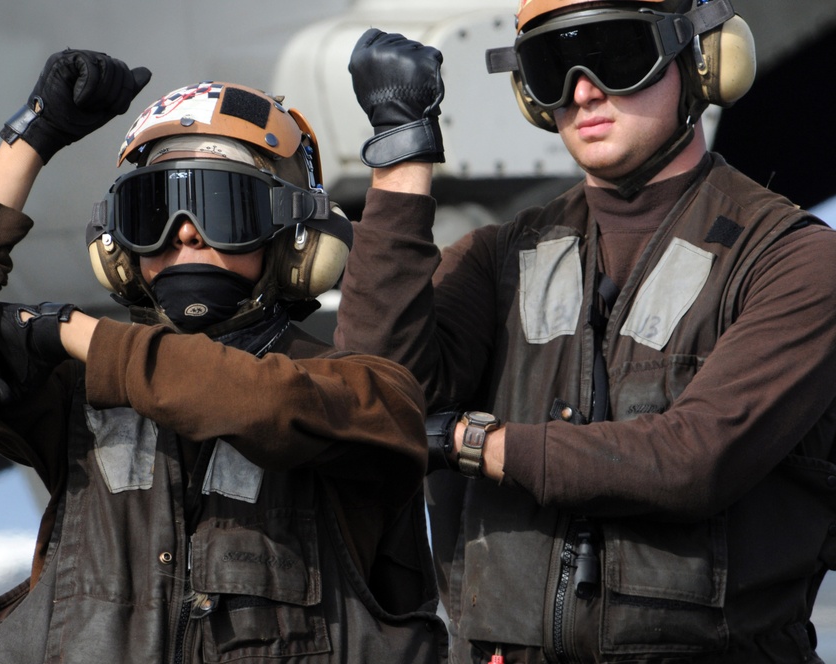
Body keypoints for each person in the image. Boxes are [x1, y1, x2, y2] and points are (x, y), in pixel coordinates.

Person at [0, 49, 448, 663]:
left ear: (296, 239)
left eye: (222, 207)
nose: (183, 231)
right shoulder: (77, 396)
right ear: (116, 247)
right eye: (152, 210)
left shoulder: (366, 392)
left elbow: (263, 402)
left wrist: (74, 332)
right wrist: (32, 138)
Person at [334, 0, 836, 662]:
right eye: (550, 65)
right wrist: (400, 161)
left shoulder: (792, 260)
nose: (582, 90)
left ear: (701, 63)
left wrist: (471, 442)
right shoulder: (498, 259)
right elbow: (376, 397)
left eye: (616, 55)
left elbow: (692, 459)